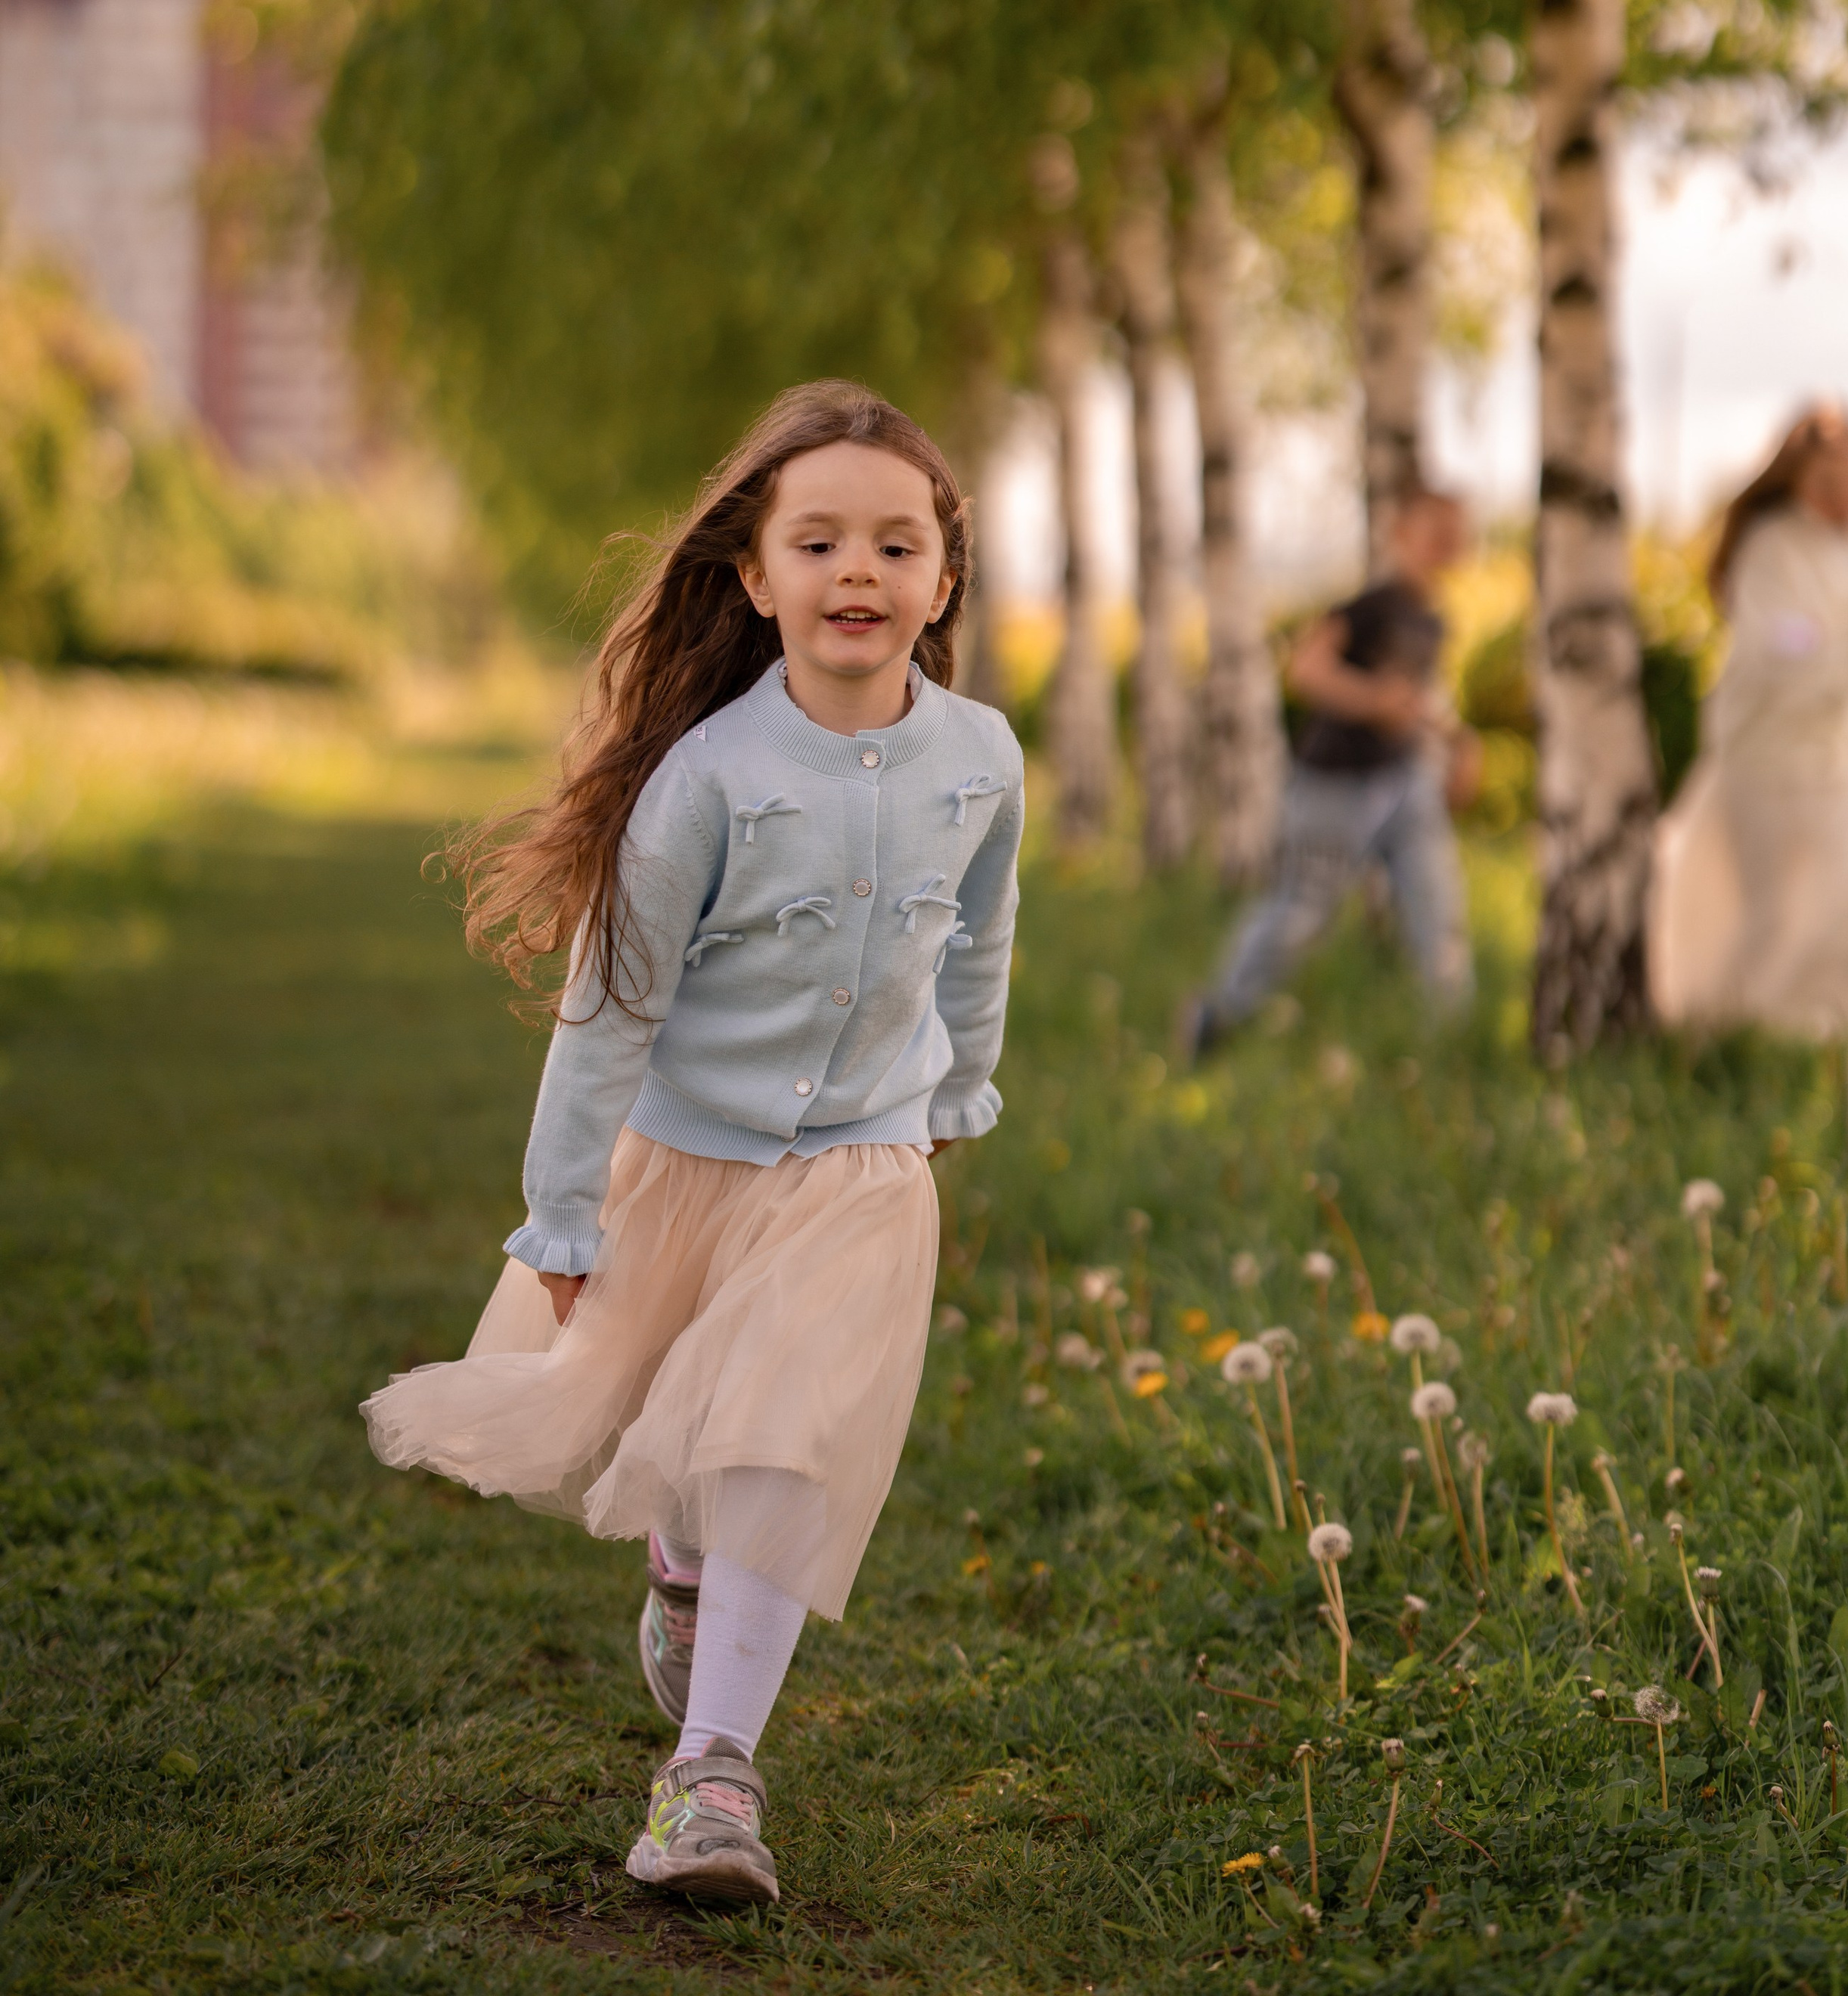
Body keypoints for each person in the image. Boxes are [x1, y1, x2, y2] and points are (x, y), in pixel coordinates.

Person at [363, 382, 1022, 1911]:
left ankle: (709, 1778)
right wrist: (562, 1221)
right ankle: (677, 1562)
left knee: (781, 1438)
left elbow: (978, 943)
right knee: (676, 1431)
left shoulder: (983, 758)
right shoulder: (707, 779)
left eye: (893, 543)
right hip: (682, 1163)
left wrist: (957, 1094)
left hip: (863, 1169)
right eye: (817, 541)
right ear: (756, 577)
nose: (855, 570)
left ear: (941, 579)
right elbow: (608, 1012)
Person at [1180, 487, 1477, 1055]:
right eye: (1435, 529)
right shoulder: (1371, 606)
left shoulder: (1432, 619)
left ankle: (1451, 1052)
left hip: (1406, 783)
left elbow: (1416, 702)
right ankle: (1217, 1017)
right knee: (1300, 914)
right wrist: (1374, 701)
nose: (1448, 543)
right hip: (1334, 789)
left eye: (1456, 531)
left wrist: (1460, 745)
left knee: (1439, 908)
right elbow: (1308, 671)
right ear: (1403, 534)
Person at [1651, 403, 1848, 1037]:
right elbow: (1782, 639)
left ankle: (1817, 1030)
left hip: (1840, 754)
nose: (1844, 497)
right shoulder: (1772, 546)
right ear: (1796, 481)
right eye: (1828, 483)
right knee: (1774, 911)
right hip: (1770, 759)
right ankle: (1738, 1030)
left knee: (1843, 902)